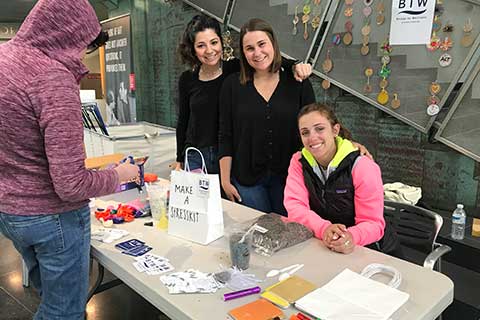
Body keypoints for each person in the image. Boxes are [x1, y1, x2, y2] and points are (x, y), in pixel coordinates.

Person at [0, 0, 139, 319]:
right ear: (68, 34)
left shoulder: (4, 59)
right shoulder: (52, 78)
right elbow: (71, 184)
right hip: (52, 218)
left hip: (11, 212)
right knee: (64, 312)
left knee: (48, 296)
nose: (81, 57)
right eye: (82, 47)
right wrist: (119, 174)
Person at [174, 14, 312, 174]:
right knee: (198, 199)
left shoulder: (235, 69)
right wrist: (179, 159)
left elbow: (267, 61)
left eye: (214, 42)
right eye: (201, 45)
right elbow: (183, 121)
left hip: (227, 154)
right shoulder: (187, 79)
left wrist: (295, 65)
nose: (209, 50)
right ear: (193, 49)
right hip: (196, 155)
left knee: (225, 199)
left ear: (221, 42)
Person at [218, 18, 317, 216]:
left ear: (273, 44)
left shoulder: (297, 82)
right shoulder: (232, 85)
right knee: (257, 239)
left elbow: (315, 126)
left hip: (290, 178)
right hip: (247, 180)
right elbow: (225, 134)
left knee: (290, 239)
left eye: (262, 44)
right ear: (243, 53)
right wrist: (225, 180)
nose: (257, 53)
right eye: (249, 48)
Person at [284, 103, 400, 256]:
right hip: (324, 244)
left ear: (335, 130)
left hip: (370, 249)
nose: (312, 137)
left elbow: (373, 224)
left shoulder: (363, 166)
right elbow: (295, 207)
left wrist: (350, 237)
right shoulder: (298, 161)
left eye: (320, 129)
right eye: (305, 132)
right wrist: (324, 229)